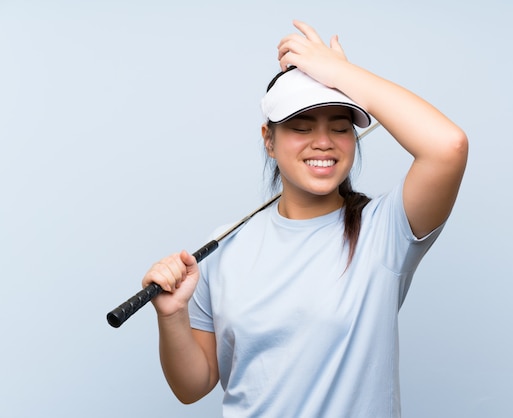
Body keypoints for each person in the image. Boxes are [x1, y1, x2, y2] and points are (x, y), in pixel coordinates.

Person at [142, 20, 468, 417]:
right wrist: (173, 315)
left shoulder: (384, 230)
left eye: (340, 127)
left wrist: (342, 74)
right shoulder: (225, 244)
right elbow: (193, 386)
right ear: (269, 140)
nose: (324, 142)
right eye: (301, 126)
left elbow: (448, 146)